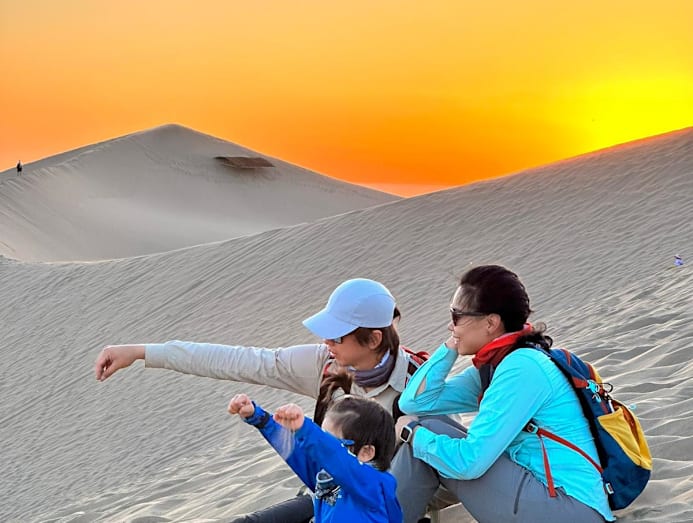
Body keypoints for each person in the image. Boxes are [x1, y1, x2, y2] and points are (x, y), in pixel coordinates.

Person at [94, 278, 418, 522]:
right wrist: (143, 352)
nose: (326, 342)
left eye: (336, 335)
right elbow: (240, 361)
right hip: (323, 497)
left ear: (373, 339)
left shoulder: (419, 388)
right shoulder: (324, 364)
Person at [391, 265, 614, 523]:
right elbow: (415, 402)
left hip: (569, 508)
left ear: (490, 323)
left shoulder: (521, 368)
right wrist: (450, 346)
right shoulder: (498, 366)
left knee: (424, 433)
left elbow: (469, 462)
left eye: (456, 316)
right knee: (430, 425)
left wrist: (411, 433)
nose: (451, 325)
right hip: (550, 499)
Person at [228, 390, 402, 523]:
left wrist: (306, 430)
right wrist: (259, 418)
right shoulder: (327, 478)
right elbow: (296, 451)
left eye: (330, 440)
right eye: (322, 434)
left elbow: (337, 458)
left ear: (366, 452)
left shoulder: (375, 486)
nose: (321, 446)